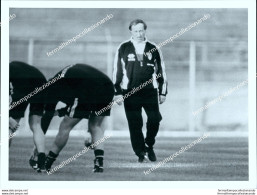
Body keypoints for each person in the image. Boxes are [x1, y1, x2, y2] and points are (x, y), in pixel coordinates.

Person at [41, 64, 114, 173]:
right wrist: (60, 112)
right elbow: (74, 105)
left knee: (65, 126)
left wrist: (38, 147)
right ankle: (99, 163)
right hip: (108, 87)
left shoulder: (52, 88)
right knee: (95, 126)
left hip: (89, 89)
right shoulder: (62, 79)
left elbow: (47, 115)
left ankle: (47, 163)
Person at [113, 19, 168, 162]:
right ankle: (140, 152)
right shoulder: (123, 47)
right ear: (131, 31)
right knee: (135, 123)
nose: (139, 33)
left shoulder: (153, 48)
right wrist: (117, 92)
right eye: (136, 31)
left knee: (155, 119)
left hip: (150, 91)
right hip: (129, 92)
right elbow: (117, 71)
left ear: (145, 31)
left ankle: (149, 145)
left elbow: (161, 71)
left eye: (141, 30)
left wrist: (163, 92)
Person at [9, 61, 47, 172]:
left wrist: (9, 119)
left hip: (23, 83)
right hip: (41, 81)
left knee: (9, 126)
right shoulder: (13, 66)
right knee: (36, 124)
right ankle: (41, 162)